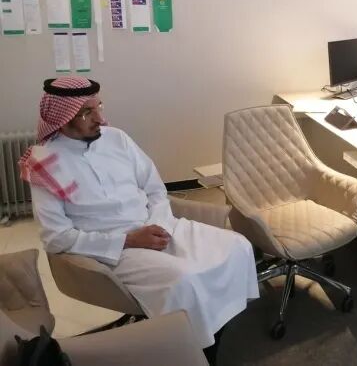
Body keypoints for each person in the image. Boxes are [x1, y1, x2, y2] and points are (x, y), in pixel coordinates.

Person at [20, 76, 259, 363]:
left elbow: (155, 189)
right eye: (87, 112)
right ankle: (198, 353)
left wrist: (158, 225)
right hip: (114, 250)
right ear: (63, 118)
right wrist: (129, 240)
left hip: (157, 225)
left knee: (238, 246)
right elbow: (56, 237)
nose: (100, 118)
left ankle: (212, 330)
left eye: (99, 107)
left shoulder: (117, 138)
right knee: (184, 281)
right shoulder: (44, 164)